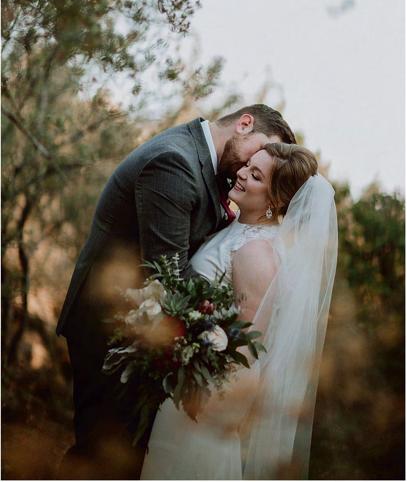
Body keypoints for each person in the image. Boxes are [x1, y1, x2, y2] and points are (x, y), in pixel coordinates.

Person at [56, 105, 296, 479]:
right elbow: (169, 277)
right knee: (101, 457)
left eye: (260, 169)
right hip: (109, 331)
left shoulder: (209, 166)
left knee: (121, 459)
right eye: (258, 152)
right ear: (244, 124)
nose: (250, 167)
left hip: (145, 337)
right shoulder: (175, 162)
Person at [140, 142, 338, 480]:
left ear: (275, 200)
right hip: (190, 386)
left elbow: (246, 346)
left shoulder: (256, 252)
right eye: (248, 165)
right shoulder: (237, 229)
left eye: (256, 175)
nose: (242, 173)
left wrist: (208, 403)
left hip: (205, 399)